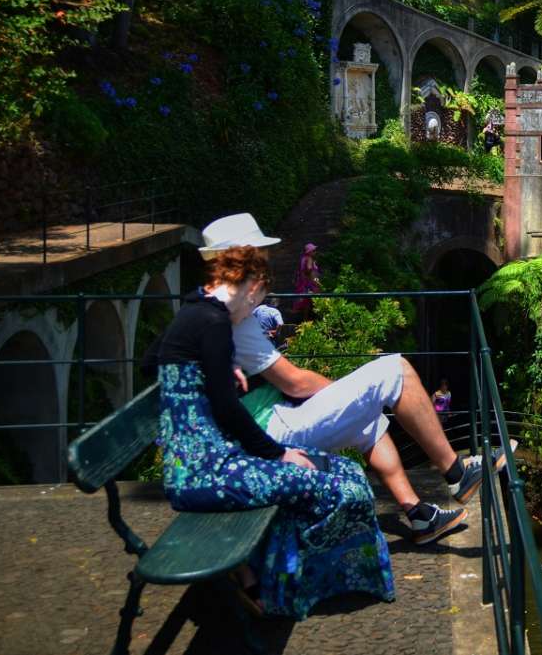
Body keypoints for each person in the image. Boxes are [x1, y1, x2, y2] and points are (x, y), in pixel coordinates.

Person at [196, 214, 499, 546]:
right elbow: (293, 382)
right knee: (395, 370)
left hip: (263, 418)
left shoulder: (216, 306)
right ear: (243, 261)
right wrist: (341, 392)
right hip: (266, 430)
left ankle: (419, 515)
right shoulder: (235, 320)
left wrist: (347, 397)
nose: (266, 265)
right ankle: (456, 472)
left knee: (368, 416)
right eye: (260, 257)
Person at [144, 246, 395, 618]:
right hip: (205, 471)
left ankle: (276, 579)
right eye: (258, 300)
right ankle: (298, 588)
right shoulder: (213, 322)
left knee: (344, 470)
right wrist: (278, 453)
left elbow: (154, 360)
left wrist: (215, 371)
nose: (254, 312)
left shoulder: (197, 312)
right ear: (252, 287)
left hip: (201, 463)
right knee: (339, 484)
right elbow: (229, 411)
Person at [293, 242, 322, 317]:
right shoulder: (309, 258)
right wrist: (314, 279)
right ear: (310, 252)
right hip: (310, 283)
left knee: (307, 302)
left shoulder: (303, 258)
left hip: (304, 283)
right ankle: (316, 318)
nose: (315, 252)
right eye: (314, 250)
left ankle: (305, 319)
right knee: (316, 300)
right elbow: (309, 269)